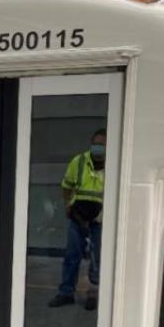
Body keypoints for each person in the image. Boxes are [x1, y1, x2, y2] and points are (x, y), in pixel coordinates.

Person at [49, 129, 106, 310]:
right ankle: (66, 293)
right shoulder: (79, 161)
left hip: (100, 219)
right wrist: (68, 205)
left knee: (97, 258)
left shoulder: (114, 164)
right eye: (96, 144)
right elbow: (67, 186)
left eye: (103, 145)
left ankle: (93, 293)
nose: (99, 148)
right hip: (78, 216)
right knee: (72, 256)